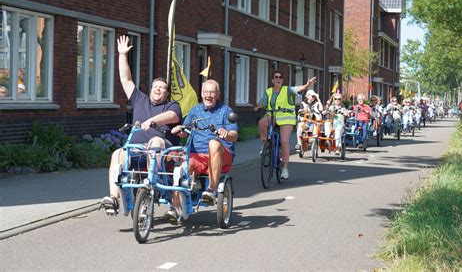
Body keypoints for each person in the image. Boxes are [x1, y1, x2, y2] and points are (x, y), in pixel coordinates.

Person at [101, 35, 182, 216]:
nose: (158, 89)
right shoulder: (140, 99)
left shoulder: (171, 105)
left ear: (167, 93)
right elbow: (126, 80)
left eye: (162, 87)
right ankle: (113, 199)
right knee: (118, 153)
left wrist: (153, 121)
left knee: (155, 141)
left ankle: (150, 181)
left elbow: (172, 116)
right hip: (137, 150)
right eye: (155, 86)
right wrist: (122, 54)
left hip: (163, 152)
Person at [170, 79, 238, 221]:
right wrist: (180, 130)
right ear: (201, 94)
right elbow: (186, 129)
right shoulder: (195, 110)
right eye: (206, 92)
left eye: (212, 92)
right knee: (181, 169)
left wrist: (226, 134)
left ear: (217, 94)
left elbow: (234, 135)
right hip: (197, 155)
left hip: (221, 153)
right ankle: (174, 208)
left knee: (214, 142)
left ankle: (212, 190)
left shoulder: (226, 111)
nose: (209, 95)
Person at [254, 71, 317, 180]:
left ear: (282, 80)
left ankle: (285, 169)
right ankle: (265, 145)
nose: (278, 79)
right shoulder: (268, 92)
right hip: (272, 116)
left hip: (286, 118)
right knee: (261, 123)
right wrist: (258, 106)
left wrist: (307, 85)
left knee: (284, 141)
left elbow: (298, 89)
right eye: (276, 77)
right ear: (272, 80)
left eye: (280, 77)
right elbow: (263, 102)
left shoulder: (287, 90)